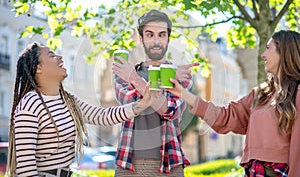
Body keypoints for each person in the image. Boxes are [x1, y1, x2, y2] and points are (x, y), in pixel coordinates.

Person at [165, 30, 300, 176]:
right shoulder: (260, 94)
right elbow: (226, 116)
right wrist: (183, 94)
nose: (263, 55)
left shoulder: (297, 94)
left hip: (279, 172)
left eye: (268, 48)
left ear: (284, 51)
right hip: (254, 170)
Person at [5, 42, 151, 177]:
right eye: (51, 55)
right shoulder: (30, 103)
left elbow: (103, 116)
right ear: (38, 68)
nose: (60, 57)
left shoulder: (68, 100)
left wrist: (141, 104)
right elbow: (25, 167)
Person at [112, 9, 199, 176]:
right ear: (141, 39)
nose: (156, 41)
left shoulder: (183, 76)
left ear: (168, 38)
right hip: (128, 164)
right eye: (150, 35)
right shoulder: (124, 73)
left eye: (161, 34)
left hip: (170, 164)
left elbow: (170, 111)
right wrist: (162, 81)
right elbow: (129, 104)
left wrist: (135, 80)